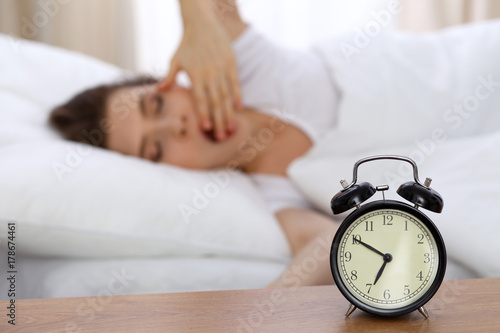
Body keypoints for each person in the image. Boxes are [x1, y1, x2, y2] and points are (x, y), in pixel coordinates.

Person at [49, 0, 340, 288]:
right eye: (155, 149)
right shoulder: (278, 195)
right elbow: (327, 244)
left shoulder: (244, 59)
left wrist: (198, 26)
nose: (176, 126)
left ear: (172, 81)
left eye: (158, 105)